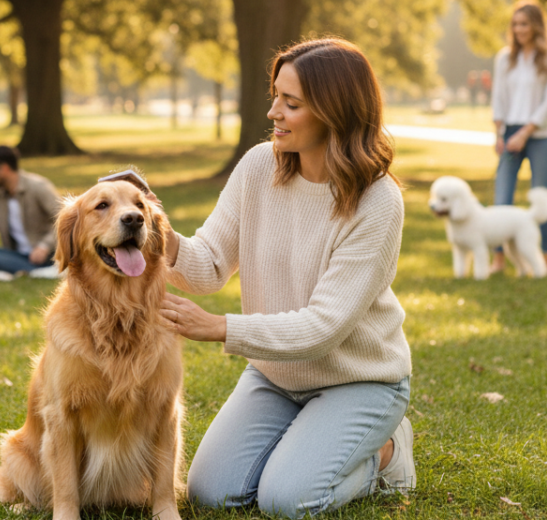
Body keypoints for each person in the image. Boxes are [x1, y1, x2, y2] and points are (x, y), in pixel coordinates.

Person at [157, 38, 415, 518]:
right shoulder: (259, 166)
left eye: (291, 103)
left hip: (357, 379)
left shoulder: (378, 202)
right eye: (275, 96)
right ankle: (311, 437)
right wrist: (160, 233)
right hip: (276, 374)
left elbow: (324, 328)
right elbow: (208, 262)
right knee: (211, 491)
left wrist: (220, 327)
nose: (273, 111)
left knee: (287, 501)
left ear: (334, 112)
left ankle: (386, 455)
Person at [490, 0, 547, 275]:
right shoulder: (504, 58)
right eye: (515, 24)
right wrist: (500, 133)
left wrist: (526, 132)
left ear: (536, 26)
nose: (519, 29)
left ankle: (545, 259)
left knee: (541, 197)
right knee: (502, 198)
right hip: (509, 133)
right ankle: (499, 260)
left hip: (539, 135)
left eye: (524, 24)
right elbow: (498, 98)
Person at [0, 145, 60, 274]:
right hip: (19, 256)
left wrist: (44, 246)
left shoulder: (38, 187)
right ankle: (35, 272)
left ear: (4, 168)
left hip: (48, 254)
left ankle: (36, 271)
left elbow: (65, 221)